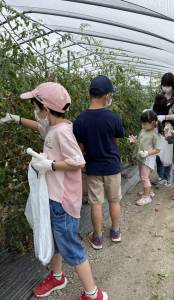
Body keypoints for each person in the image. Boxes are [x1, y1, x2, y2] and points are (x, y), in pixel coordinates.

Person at [1, 82, 107, 300]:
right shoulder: (54, 127)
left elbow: (78, 161)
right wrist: (16, 119)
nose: (35, 111)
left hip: (63, 202)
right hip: (54, 198)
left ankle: (93, 293)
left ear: (45, 109)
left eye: (35, 106)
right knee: (57, 240)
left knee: (70, 247)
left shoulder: (62, 133)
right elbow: (39, 127)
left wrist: (50, 165)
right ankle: (57, 276)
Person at [73, 75, 124, 250]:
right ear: (107, 95)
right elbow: (115, 141)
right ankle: (116, 232)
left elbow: (80, 147)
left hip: (93, 168)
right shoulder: (113, 117)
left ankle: (98, 237)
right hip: (112, 166)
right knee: (114, 200)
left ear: (90, 94)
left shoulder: (80, 119)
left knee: (96, 203)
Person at [129, 109, 160, 206]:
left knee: (144, 176)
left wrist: (147, 152)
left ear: (152, 123)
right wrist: (135, 140)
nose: (142, 125)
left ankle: (147, 197)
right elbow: (141, 141)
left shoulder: (155, 134)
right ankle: (149, 191)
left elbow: (157, 149)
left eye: (144, 123)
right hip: (141, 157)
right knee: (143, 176)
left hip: (148, 159)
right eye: (142, 123)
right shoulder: (143, 130)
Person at [153, 94, 174, 186]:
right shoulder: (155, 111)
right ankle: (162, 177)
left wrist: (166, 129)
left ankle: (166, 178)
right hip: (161, 138)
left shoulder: (169, 112)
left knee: (166, 158)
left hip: (167, 138)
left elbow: (171, 125)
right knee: (160, 158)